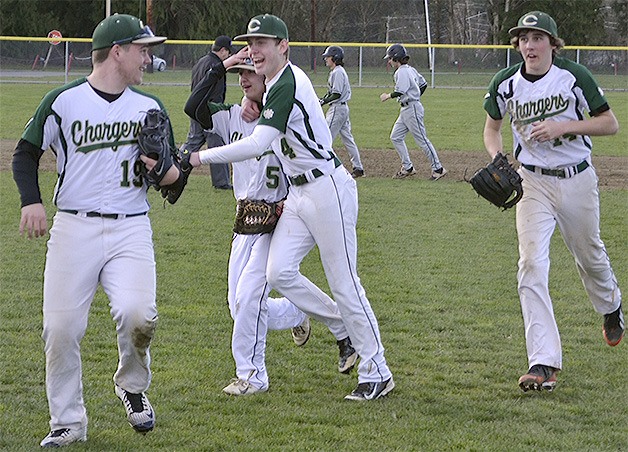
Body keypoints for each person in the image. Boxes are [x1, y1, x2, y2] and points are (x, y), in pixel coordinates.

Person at [186, 14, 394, 401]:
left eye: (262, 43)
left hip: (326, 187)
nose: (254, 50)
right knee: (278, 271)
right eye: (251, 44)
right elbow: (226, 109)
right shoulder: (274, 85)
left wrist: (198, 158)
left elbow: (258, 143)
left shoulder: (288, 81)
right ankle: (333, 324)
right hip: (298, 194)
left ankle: (377, 369)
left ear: (283, 46)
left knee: (346, 283)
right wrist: (235, 75)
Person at [12, 13, 176, 447]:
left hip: (131, 228)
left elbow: (173, 177)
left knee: (140, 316)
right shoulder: (63, 100)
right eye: (142, 49)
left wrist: (162, 169)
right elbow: (24, 154)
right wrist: (31, 200)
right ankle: (68, 421)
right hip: (73, 228)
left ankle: (132, 386)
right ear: (117, 51)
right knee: (61, 329)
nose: (148, 57)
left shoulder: (149, 106)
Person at [483, 11, 624, 393]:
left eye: (537, 38)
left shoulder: (574, 77)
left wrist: (564, 126)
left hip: (577, 178)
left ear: (552, 43)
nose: (529, 45)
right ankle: (543, 362)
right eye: (523, 39)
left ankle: (611, 305)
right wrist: (498, 157)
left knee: (590, 255)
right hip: (532, 183)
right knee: (530, 263)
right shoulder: (505, 83)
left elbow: (610, 123)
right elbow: (492, 128)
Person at [380, 43, 447, 180]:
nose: (389, 61)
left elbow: (400, 91)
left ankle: (438, 169)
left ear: (396, 58)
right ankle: (408, 167)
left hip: (412, 109)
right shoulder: (410, 69)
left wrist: (388, 96)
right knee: (395, 137)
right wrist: (415, 95)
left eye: (390, 58)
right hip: (407, 109)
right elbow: (423, 84)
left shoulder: (402, 72)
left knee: (422, 139)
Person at [181, 35, 234, 190]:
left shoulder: (202, 61)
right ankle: (221, 182)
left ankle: (173, 168)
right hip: (209, 112)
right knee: (217, 146)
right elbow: (214, 92)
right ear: (223, 50)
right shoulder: (216, 65)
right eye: (228, 51)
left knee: (192, 143)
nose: (229, 55)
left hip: (195, 109)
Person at [319, 45, 364, 178]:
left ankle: (328, 167)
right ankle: (358, 167)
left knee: (324, 138)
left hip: (337, 108)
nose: (326, 59)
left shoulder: (338, 72)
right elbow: (332, 93)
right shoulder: (337, 71)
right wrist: (323, 99)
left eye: (328, 57)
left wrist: (322, 102)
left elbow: (336, 94)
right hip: (342, 108)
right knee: (348, 139)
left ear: (335, 58)